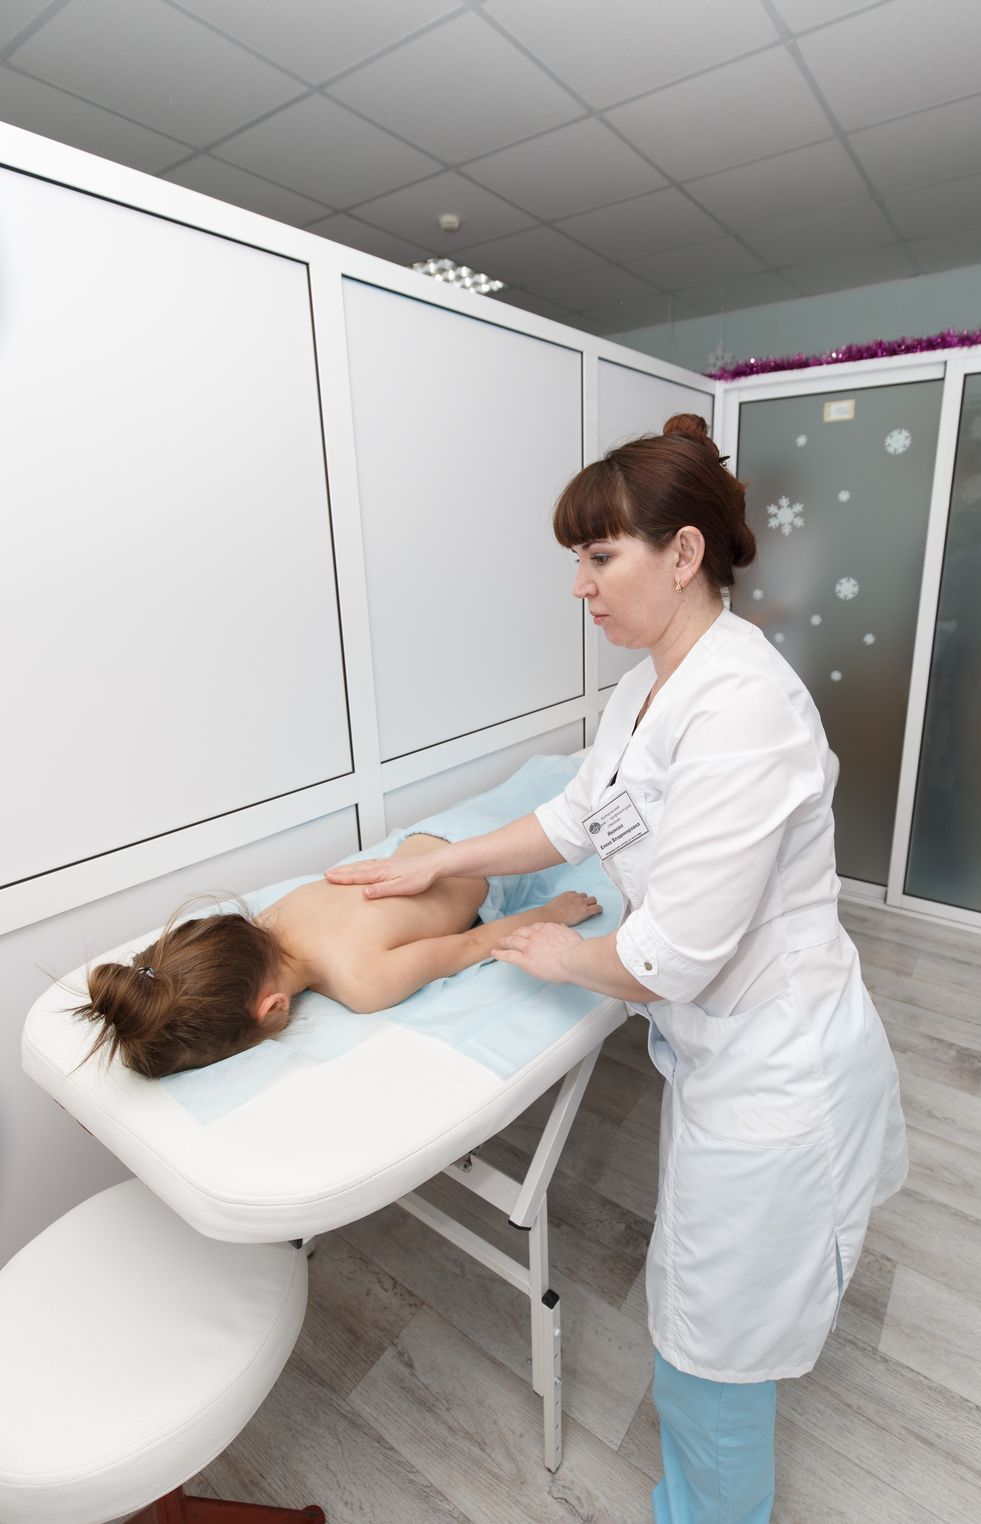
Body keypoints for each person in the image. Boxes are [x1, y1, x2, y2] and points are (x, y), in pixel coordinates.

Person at [325, 413, 908, 1524]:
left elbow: (670, 953)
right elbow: (573, 817)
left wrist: (559, 950)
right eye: (577, 560)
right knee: (705, 1319)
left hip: (777, 1070)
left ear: (683, 554)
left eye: (600, 557)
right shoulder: (643, 691)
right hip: (721, 1055)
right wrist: (442, 861)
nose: (579, 586)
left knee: (714, 1347)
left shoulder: (746, 709)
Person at [73, 831, 600, 1078]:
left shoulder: (362, 981)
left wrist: (551, 913)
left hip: (484, 879)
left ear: (273, 1009)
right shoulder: (273, 917)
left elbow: (471, 944)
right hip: (418, 848)